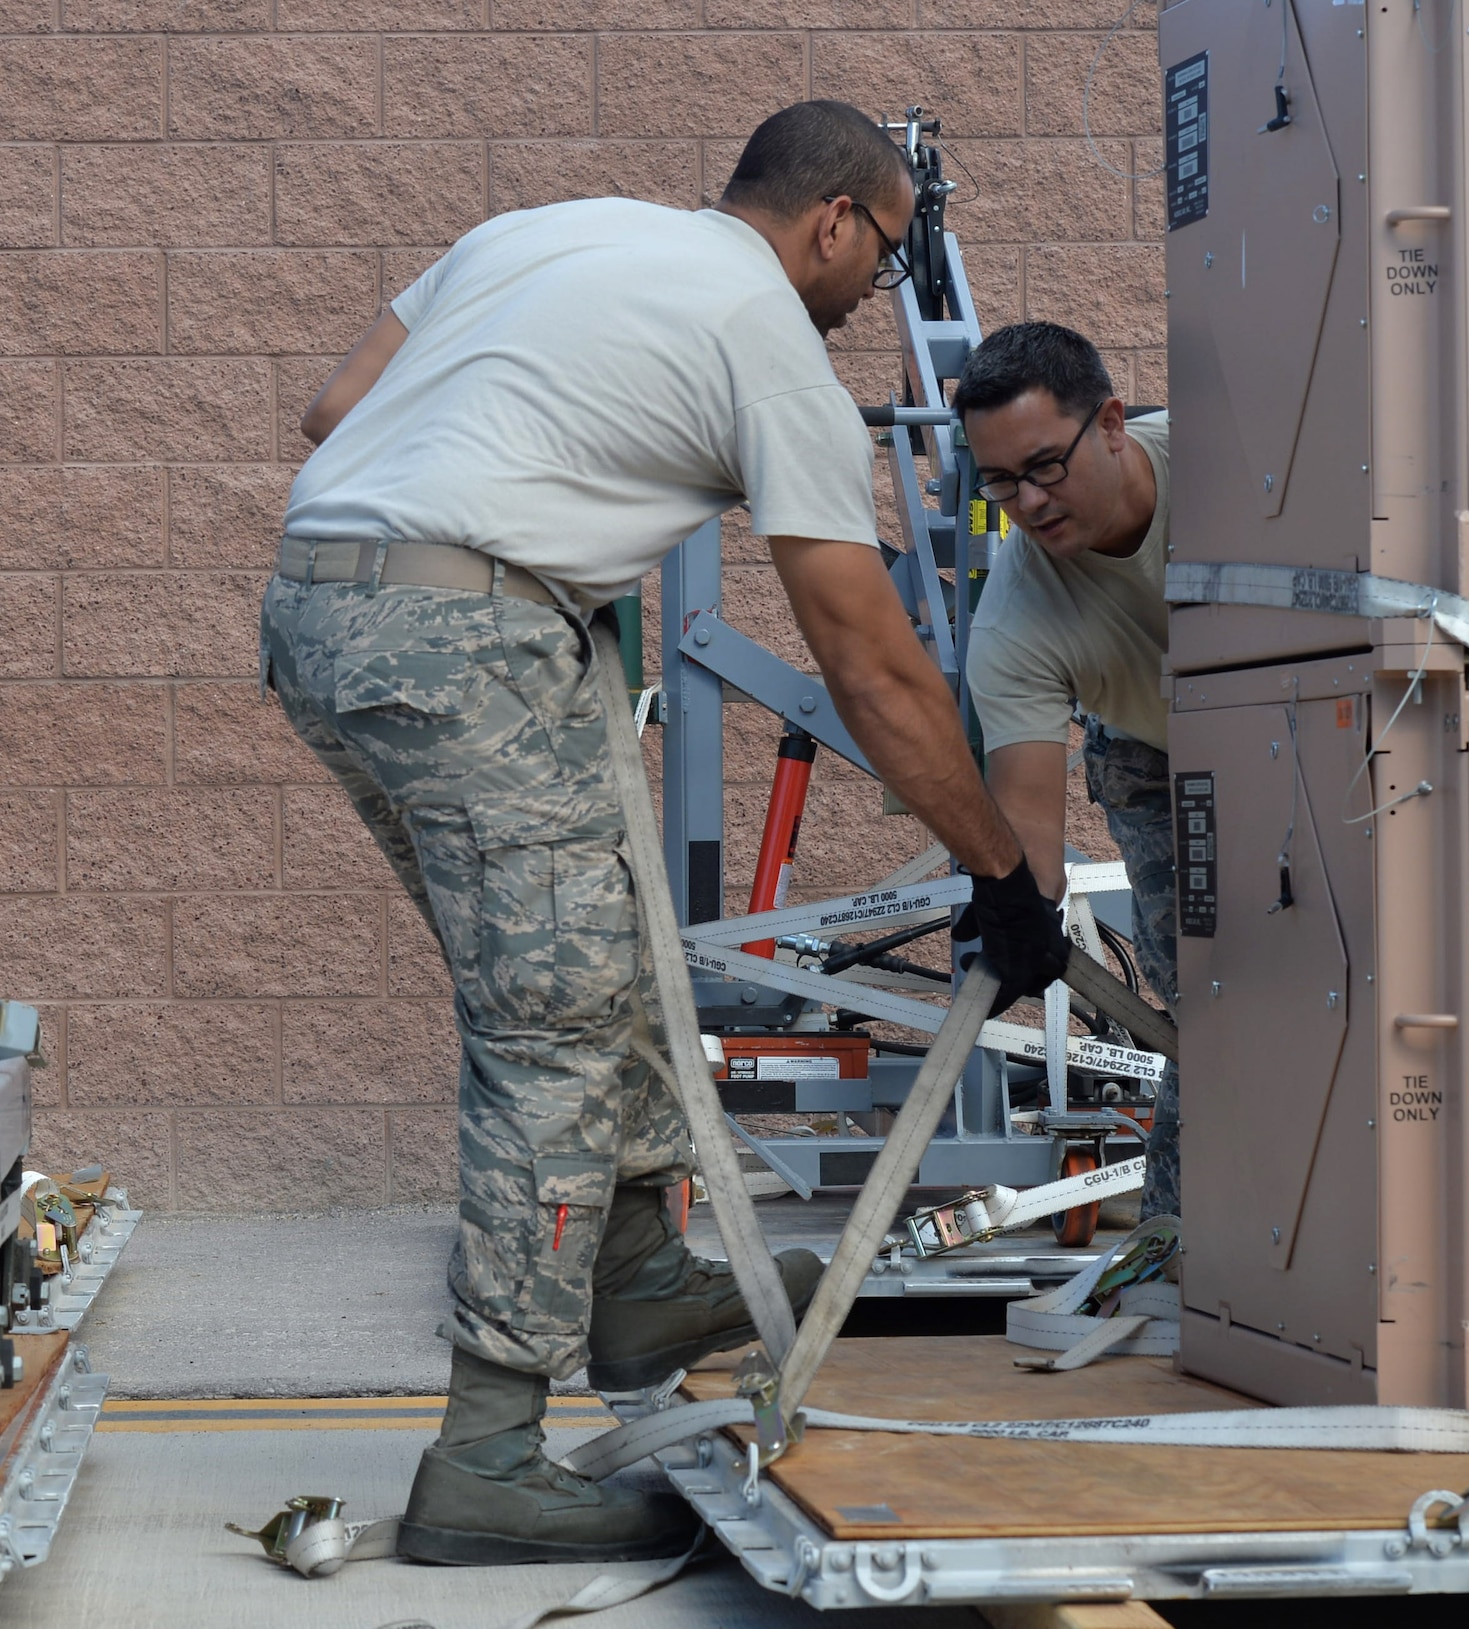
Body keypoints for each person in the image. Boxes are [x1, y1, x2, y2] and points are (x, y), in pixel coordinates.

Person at [262, 101, 1068, 1567]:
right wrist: (1000, 876)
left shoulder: (540, 233)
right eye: (883, 259)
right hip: (467, 640)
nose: (867, 289)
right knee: (554, 1029)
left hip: (327, 604)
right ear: (836, 221)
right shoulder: (765, 336)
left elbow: (334, 411)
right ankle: (489, 1456)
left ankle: (634, 1278)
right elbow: (872, 665)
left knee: (605, 949)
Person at [953, 322, 1180, 1223]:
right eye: (1001, 481)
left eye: (1046, 464)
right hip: (1155, 757)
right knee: (1218, 1005)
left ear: (1114, 422)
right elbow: (1030, 836)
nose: (1029, 501)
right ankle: (1183, 1250)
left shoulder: (1245, 472)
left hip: (1314, 723)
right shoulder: (1015, 624)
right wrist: (1013, 910)